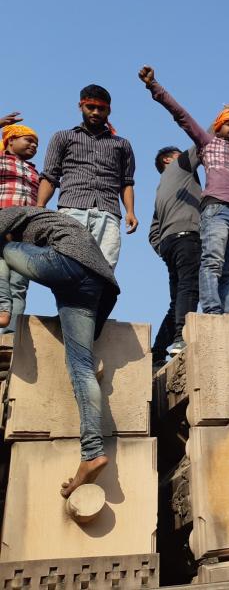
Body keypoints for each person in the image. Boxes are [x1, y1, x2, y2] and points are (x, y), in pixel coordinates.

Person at [138, 66, 229, 314]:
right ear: (217, 127)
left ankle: (228, 315)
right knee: (213, 262)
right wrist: (155, 86)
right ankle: (213, 311)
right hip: (217, 210)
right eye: (228, 123)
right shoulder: (208, 143)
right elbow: (181, 115)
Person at [0, 207, 119, 498]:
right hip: (94, 283)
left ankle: (3, 307)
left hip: (66, 262)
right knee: (80, 366)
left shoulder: (15, 213)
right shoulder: (56, 223)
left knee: (1, 249)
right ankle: (92, 452)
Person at [38, 84, 137, 270]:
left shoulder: (122, 145)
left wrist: (130, 211)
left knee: (104, 269)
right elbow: (50, 176)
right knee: (69, 265)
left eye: (101, 108)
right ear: (80, 106)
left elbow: (126, 182)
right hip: (71, 208)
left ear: (109, 110)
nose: (96, 112)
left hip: (108, 211)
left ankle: (96, 300)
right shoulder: (63, 137)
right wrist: (40, 208)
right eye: (91, 107)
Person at [148, 145, 201, 365]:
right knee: (189, 289)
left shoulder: (162, 189)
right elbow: (203, 141)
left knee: (177, 298)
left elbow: (153, 230)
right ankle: (180, 338)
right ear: (169, 161)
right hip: (187, 236)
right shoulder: (180, 168)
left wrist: (162, 248)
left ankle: (157, 352)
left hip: (171, 242)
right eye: (180, 155)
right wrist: (226, 116)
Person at [0, 113, 41, 333]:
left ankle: (10, 336)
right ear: (11, 140)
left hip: (24, 233)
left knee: (19, 284)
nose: (33, 145)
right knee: (1, 276)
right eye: (29, 140)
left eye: (36, 143)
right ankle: (4, 312)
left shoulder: (34, 170)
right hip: (1, 223)